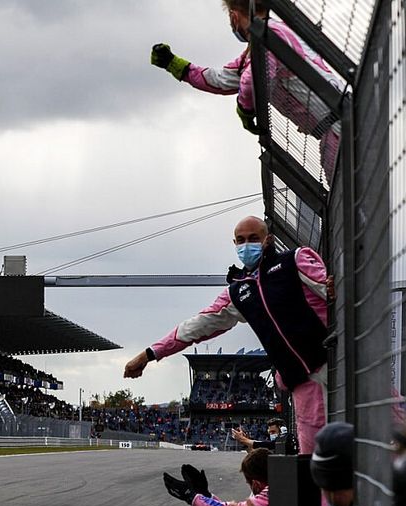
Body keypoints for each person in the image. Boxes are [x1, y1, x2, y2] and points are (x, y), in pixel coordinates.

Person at [124, 216, 328, 454]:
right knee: (316, 464)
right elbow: (197, 325)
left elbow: (333, 289)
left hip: (336, 363)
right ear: (234, 244)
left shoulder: (294, 260)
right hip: (303, 384)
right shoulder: (238, 292)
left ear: (267, 240)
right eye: (240, 240)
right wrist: (150, 353)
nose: (246, 245)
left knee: (368, 438)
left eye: (253, 238)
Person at [150, 0, 344, 183]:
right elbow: (220, 80)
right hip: (337, 123)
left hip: (338, 128)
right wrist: (173, 64)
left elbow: (252, 80)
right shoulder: (272, 37)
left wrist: (245, 111)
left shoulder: (267, 39)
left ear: (234, 17)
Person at [163, 448, 270, 506]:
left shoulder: (270, 496)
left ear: (256, 484)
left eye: (249, 483)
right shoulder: (282, 484)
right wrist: (206, 496)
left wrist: (192, 496)